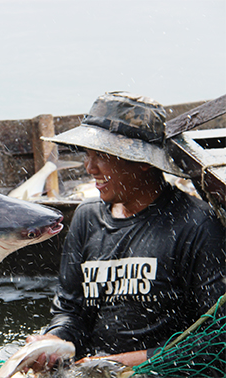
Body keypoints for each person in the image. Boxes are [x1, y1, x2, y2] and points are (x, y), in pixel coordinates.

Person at [21, 92, 226, 371]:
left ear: (142, 161)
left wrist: (122, 364)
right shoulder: (86, 218)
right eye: (87, 155)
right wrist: (53, 340)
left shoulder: (196, 225)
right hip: (90, 369)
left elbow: (215, 338)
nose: (89, 167)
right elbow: (70, 311)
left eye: (101, 156)